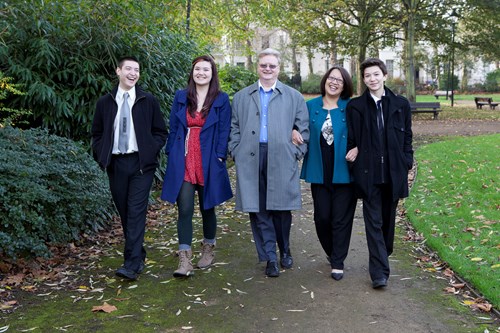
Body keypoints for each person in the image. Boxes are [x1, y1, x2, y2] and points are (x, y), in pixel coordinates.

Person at [228, 48, 309, 278]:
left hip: (282, 156)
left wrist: (296, 152)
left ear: (279, 69)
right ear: (258, 67)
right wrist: (236, 150)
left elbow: (303, 128)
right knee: (258, 208)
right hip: (251, 157)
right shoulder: (244, 96)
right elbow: (234, 126)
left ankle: (285, 249)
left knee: (281, 208)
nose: (267, 69)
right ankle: (270, 258)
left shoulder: (293, 96)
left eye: (272, 65)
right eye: (264, 65)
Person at [92, 56, 168, 281]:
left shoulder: (148, 100)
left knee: (136, 212)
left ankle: (131, 264)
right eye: (128, 69)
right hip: (116, 164)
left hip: (141, 165)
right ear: (118, 71)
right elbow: (96, 132)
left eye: (137, 70)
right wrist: (100, 151)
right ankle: (139, 253)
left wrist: (150, 149)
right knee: (125, 212)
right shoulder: (105, 102)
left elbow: (160, 132)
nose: (133, 73)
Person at [161, 55, 232, 278]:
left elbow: (224, 130)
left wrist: (220, 156)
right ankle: (184, 258)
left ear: (213, 73)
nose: (201, 73)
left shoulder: (221, 99)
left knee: (207, 206)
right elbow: (173, 127)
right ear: (192, 72)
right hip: (183, 157)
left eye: (206, 70)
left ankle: (208, 249)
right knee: (184, 208)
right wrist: (171, 152)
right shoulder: (181, 96)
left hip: (209, 157)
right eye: (197, 69)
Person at [346, 58, 413, 289]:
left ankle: (384, 252)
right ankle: (379, 273)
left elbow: (407, 137)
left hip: (393, 172)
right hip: (368, 173)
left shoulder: (400, 104)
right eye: (367, 76)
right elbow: (352, 139)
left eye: (376, 74)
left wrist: (407, 161)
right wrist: (353, 151)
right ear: (363, 79)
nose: (372, 79)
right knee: (372, 222)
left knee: (387, 223)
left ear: (384, 75)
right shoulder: (355, 107)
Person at [296, 66, 357, 281]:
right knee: (322, 217)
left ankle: (338, 261)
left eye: (339, 80)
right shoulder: (309, 106)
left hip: (344, 170)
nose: (334, 82)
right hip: (319, 168)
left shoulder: (351, 107)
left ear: (345, 85)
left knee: (341, 218)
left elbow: (364, 134)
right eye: (331, 78)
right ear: (325, 80)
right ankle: (332, 252)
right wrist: (294, 130)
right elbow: (298, 126)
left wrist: (358, 148)